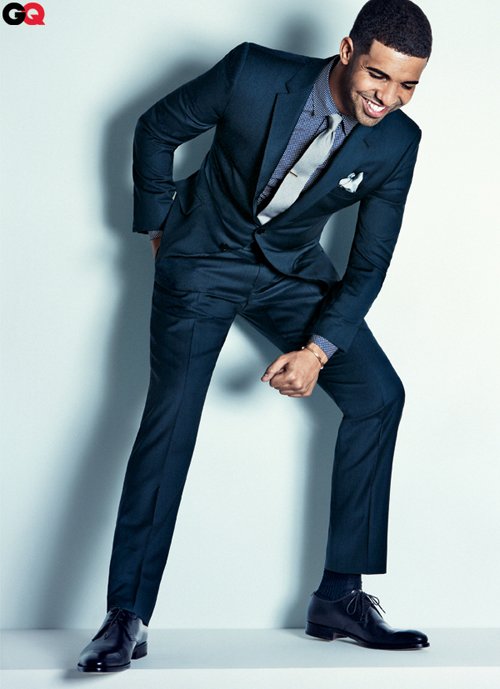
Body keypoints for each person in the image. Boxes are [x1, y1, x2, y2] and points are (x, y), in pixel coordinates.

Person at [78, 0, 433, 672]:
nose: (388, 98)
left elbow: (368, 264)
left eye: (407, 85)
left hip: (291, 274)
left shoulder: (397, 143)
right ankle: (127, 615)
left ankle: (339, 596)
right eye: (378, 76)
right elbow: (157, 128)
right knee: (171, 419)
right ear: (348, 50)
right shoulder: (252, 73)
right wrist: (159, 228)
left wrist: (318, 349)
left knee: (379, 396)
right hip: (202, 260)